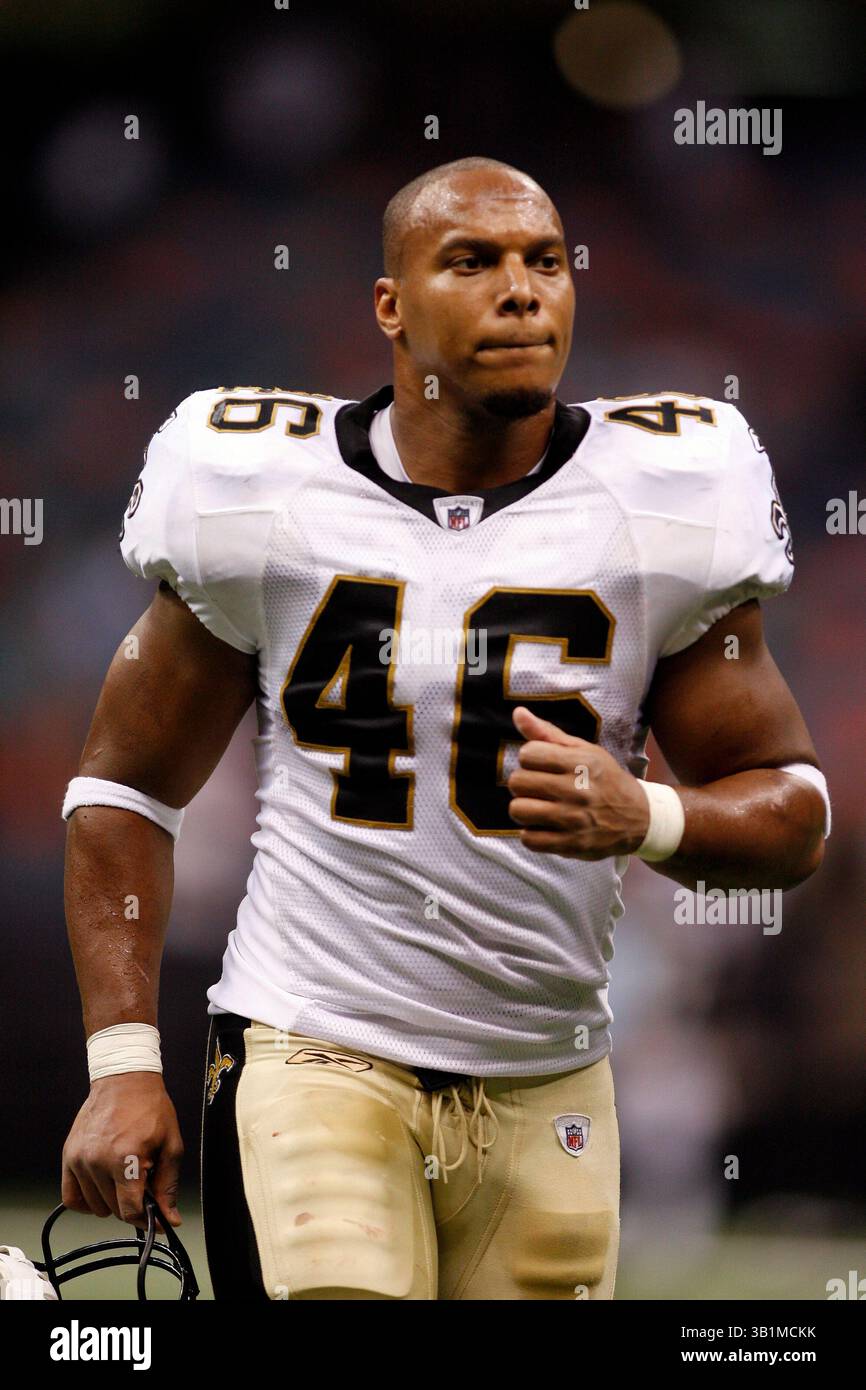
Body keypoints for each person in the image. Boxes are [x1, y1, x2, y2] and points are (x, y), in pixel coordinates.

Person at [60, 157, 829, 1300]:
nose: (521, 291)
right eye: (470, 262)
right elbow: (122, 788)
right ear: (390, 305)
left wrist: (649, 814)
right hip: (311, 1041)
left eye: (543, 262)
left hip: (545, 1073)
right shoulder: (259, 489)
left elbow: (792, 805)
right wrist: (123, 1064)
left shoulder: (663, 496)